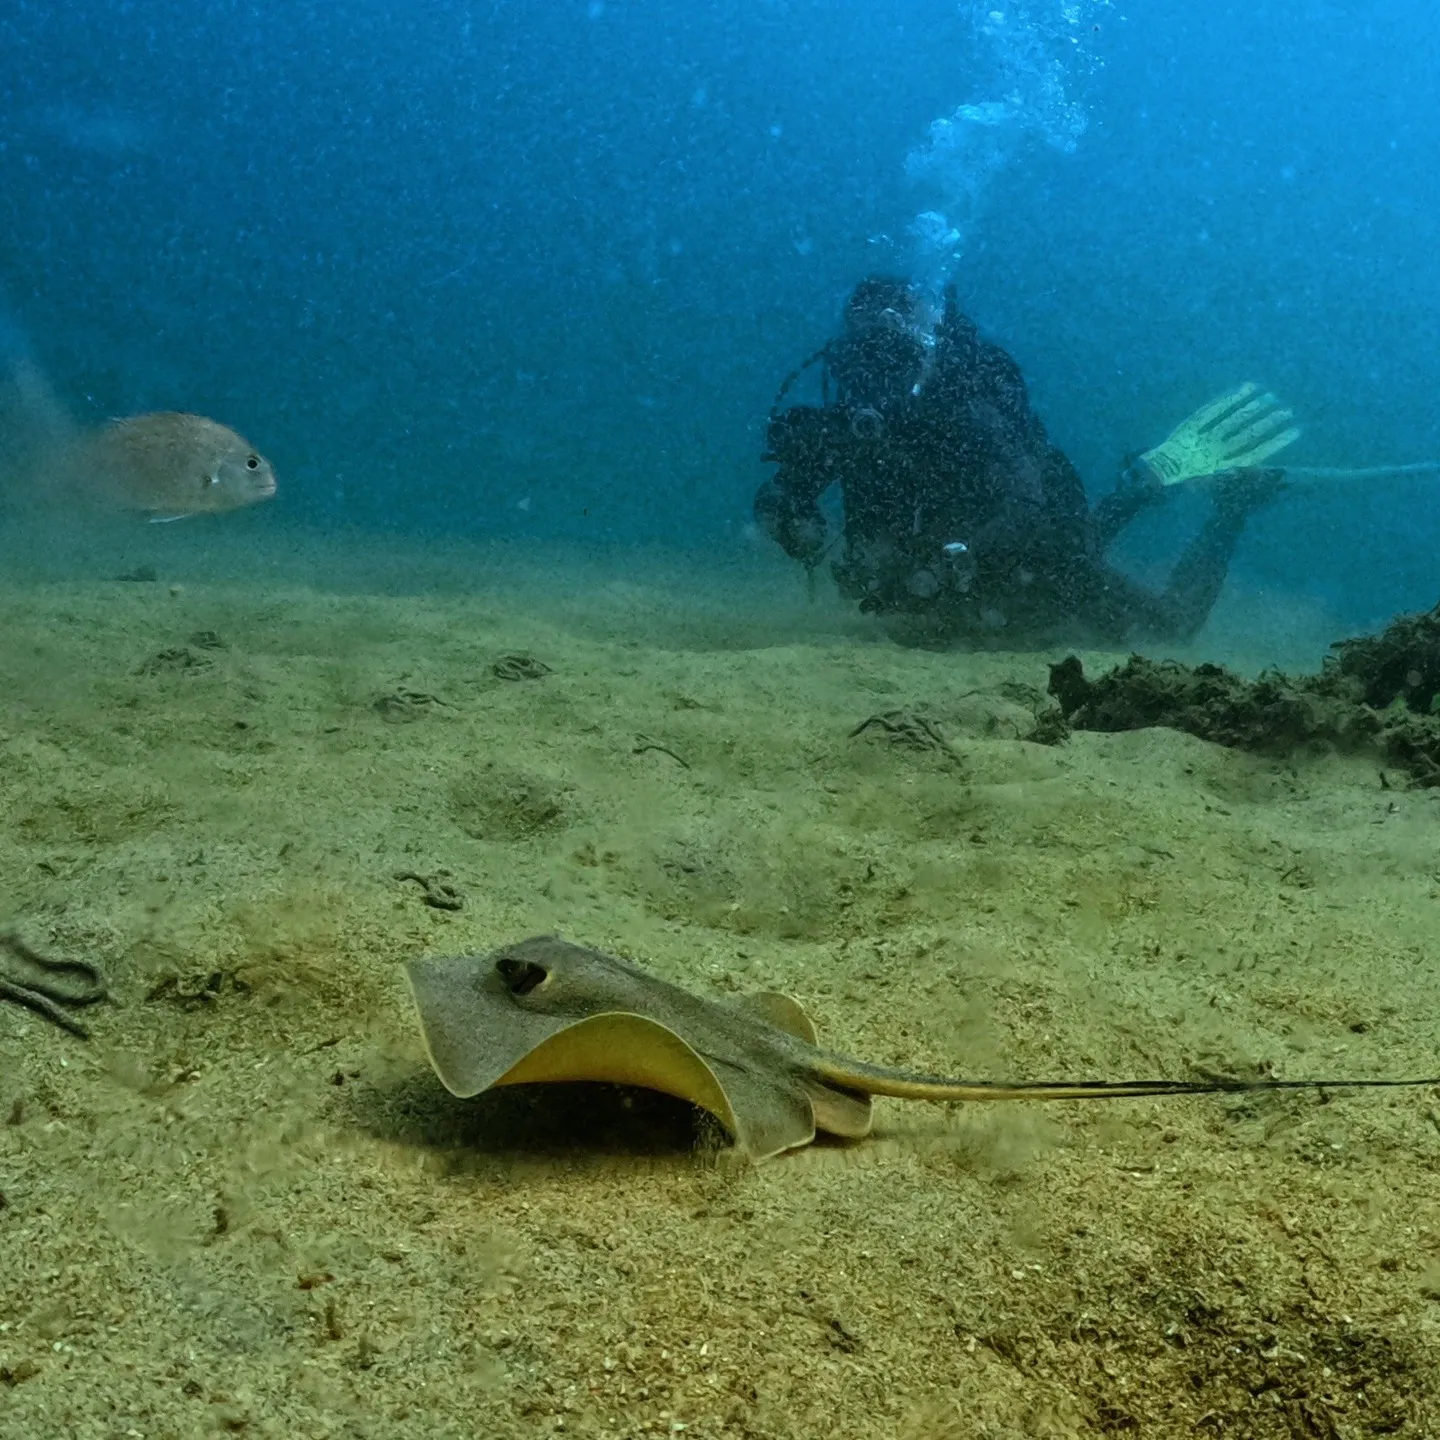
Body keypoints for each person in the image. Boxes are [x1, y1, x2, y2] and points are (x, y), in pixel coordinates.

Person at [754, 276, 1299, 648]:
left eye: (890, 355)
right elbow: (786, 491)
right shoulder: (855, 423)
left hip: (1034, 567)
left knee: (1168, 628)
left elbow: (1026, 509)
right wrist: (787, 516)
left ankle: (1230, 508)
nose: (877, 374)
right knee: (1060, 548)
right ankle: (1135, 489)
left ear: (919, 349)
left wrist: (946, 565)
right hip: (960, 584)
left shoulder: (968, 409)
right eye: (863, 357)